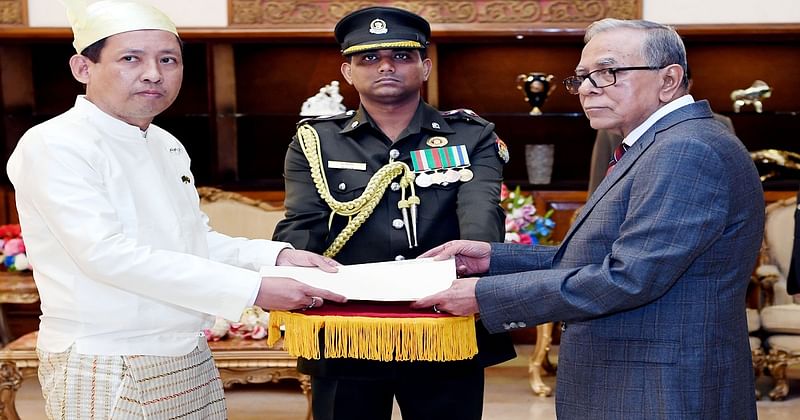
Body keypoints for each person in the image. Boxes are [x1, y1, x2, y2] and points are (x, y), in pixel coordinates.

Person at [6, 1, 344, 418]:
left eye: (168, 60)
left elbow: (191, 239)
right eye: (131, 58)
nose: (154, 73)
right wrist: (255, 289)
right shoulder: (55, 144)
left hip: (187, 352)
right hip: (106, 356)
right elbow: (106, 255)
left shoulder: (166, 143)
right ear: (82, 68)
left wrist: (276, 257)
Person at [415, 18, 764, 419]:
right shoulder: (659, 145)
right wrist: (494, 260)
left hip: (658, 392)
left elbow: (629, 277)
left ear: (668, 80)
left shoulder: (685, 150)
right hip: (639, 383)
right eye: (582, 77)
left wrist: (482, 295)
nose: (586, 89)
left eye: (608, 73)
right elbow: (604, 257)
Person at [272, 6, 515, 420]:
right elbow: (303, 223)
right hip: (347, 322)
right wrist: (285, 273)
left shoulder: (472, 136)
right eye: (369, 58)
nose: (385, 66)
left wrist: (472, 272)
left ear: (425, 67)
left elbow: (480, 212)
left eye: (401, 56)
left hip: (441, 319)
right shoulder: (315, 141)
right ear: (347, 72)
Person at [587, 67, 736, 194]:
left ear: (684, 83)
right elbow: (597, 185)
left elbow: (731, 180)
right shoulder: (614, 126)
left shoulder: (718, 124)